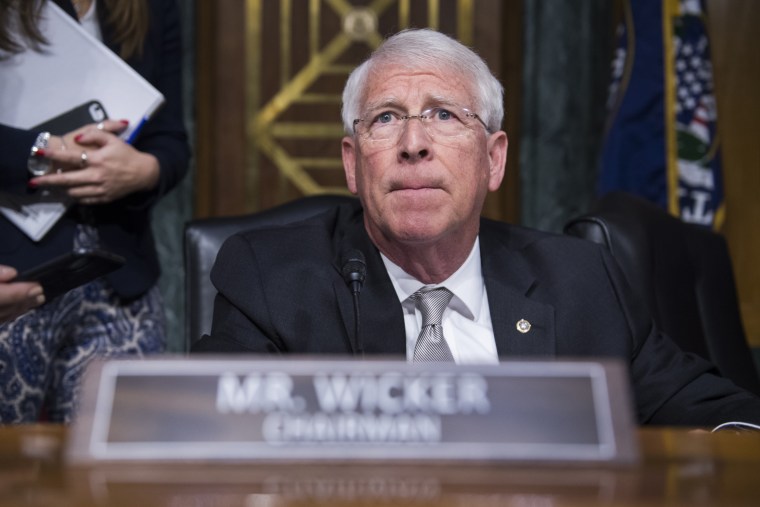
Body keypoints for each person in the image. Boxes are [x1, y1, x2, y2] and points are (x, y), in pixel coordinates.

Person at [192, 29, 760, 427]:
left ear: (494, 159)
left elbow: (715, 410)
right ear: (352, 162)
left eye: (444, 115)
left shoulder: (581, 281)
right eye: (386, 118)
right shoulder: (271, 280)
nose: (414, 144)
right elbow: (207, 436)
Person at [0, 0, 189, 422]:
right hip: (13, 277)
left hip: (120, 275)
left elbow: (172, 140)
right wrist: (41, 152)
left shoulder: (153, 8)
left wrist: (143, 170)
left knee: (122, 465)